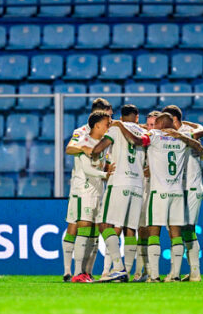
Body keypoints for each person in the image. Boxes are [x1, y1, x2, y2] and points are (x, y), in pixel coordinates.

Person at [110, 113, 203, 283]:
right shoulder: (182, 138)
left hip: (159, 191)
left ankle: (154, 275)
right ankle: (174, 275)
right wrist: (182, 136)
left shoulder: (154, 135)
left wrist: (121, 126)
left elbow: (136, 141)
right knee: (175, 233)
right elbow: (198, 146)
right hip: (177, 192)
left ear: (160, 124)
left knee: (154, 231)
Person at [91, 105, 146, 282]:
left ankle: (118, 267)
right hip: (137, 185)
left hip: (119, 183)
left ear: (121, 117)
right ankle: (127, 272)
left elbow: (98, 149)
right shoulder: (144, 131)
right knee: (130, 229)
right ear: (136, 117)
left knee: (103, 223)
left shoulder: (115, 129)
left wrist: (95, 157)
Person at [62, 98, 113, 282]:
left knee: (92, 228)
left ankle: (86, 271)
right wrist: (84, 149)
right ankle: (71, 271)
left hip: (97, 186)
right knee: (75, 225)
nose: (111, 119)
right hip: (81, 185)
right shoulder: (82, 132)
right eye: (108, 115)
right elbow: (69, 149)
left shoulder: (107, 135)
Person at [162, 105, 203, 282]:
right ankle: (184, 272)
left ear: (174, 120)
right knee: (176, 230)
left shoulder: (188, 132)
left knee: (187, 229)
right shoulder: (170, 135)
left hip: (190, 187)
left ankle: (191, 272)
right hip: (176, 187)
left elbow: (202, 131)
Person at [133, 110, 161, 282]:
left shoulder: (163, 142)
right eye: (148, 124)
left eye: (153, 125)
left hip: (157, 189)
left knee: (153, 229)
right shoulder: (143, 140)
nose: (150, 128)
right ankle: (139, 272)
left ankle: (153, 271)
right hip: (142, 187)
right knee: (141, 229)